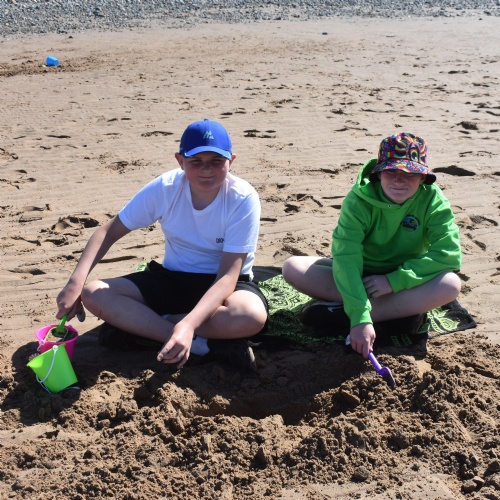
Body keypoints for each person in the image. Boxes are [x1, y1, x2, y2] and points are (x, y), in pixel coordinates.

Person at [56, 119, 268, 370]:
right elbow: (109, 231)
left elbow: (227, 277)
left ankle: (149, 325)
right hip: (174, 278)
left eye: (216, 161)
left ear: (231, 160)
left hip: (227, 285)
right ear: (180, 160)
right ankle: (197, 344)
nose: (206, 169)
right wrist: (75, 282)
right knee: (94, 293)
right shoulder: (165, 188)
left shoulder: (243, 197)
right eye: (196, 161)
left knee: (250, 316)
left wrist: (188, 323)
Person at [282, 132, 462, 358]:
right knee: (292, 267)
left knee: (450, 284)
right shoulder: (357, 200)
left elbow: (448, 254)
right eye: (391, 171)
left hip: (405, 279)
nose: (399, 180)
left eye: (410, 173)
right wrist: (360, 316)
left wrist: (393, 281)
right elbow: (346, 257)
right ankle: (396, 313)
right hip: (362, 276)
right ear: (378, 174)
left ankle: (348, 315)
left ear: (423, 178)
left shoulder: (433, 200)